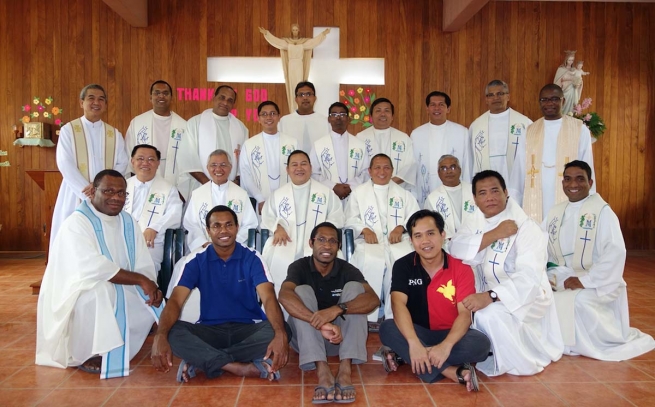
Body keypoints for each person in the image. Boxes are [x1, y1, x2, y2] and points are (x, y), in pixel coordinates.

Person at [37, 170, 163, 379]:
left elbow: (142, 260)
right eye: (108, 191)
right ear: (93, 191)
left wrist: (149, 283)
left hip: (120, 283)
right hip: (77, 291)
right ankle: (91, 352)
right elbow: (92, 266)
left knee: (139, 297)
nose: (116, 197)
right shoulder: (77, 223)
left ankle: (119, 345)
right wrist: (140, 280)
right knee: (100, 292)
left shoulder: (128, 221)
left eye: (122, 193)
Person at [151, 205, 291, 383]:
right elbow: (175, 302)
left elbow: (269, 298)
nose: (223, 230)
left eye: (229, 225)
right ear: (208, 231)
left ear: (237, 227)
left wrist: (279, 334)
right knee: (172, 332)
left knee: (283, 330)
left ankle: (204, 361)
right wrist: (160, 335)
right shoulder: (195, 260)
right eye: (216, 226)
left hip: (248, 329)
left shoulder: (252, 257)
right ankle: (237, 367)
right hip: (210, 331)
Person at [449, 170, 563, 376]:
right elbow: (455, 247)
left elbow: (529, 277)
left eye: (495, 191)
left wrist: (492, 296)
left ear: (506, 192)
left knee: (488, 314)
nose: (490, 197)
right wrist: (495, 234)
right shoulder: (475, 220)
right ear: (474, 199)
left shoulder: (527, 227)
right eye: (482, 193)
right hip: (484, 292)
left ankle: (511, 359)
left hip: (524, 296)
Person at [545, 160, 655, 360]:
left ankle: (585, 344)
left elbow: (615, 252)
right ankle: (557, 342)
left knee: (578, 301)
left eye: (580, 179)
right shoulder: (555, 212)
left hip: (597, 280)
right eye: (567, 179)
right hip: (562, 275)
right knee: (541, 295)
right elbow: (542, 243)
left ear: (590, 182)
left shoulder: (602, 212)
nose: (573, 184)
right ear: (562, 183)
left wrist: (585, 281)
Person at [379, 210, 491, 390]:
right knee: (387, 328)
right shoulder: (403, 265)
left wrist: (446, 346)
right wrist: (414, 343)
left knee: (481, 345)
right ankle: (451, 371)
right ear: (411, 241)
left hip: (451, 334)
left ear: (443, 235)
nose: (425, 241)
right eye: (418, 236)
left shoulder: (461, 268)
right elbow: (397, 304)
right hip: (417, 333)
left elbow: (464, 314)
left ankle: (407, 357)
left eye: (431, 233)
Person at [278, 222, 379, 403]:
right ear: (311, 243)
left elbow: (373, 299)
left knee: (356, 289)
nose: (327, 245)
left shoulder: (347, 269)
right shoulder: (299, 267)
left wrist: (337, 309)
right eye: (321, 240)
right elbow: (284, 296)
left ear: (339, 246)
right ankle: (322, 369)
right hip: (305, 340)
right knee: (300, 291)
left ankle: (345, 368)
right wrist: (321, 322)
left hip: (339, 339)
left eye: (333, 241)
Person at [345, 154, 420, 324]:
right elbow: (350, 219)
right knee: (370, 260)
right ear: (370, 171)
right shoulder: (358, 193)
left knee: (402, 263)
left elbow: (415, 218)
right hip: (370, 243)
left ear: (392, 171)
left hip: (398, 243)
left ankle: (395, 315)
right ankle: (369, 317)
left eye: (386, 167)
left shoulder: (404, 195)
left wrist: (402, 227)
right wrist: (364, 229)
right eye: (377, 168)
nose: (382, 171)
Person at [50, 84, 128, 247]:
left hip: (106, 195)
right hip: (76, 192)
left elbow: (122, 162)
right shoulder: (68, 130)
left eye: (101, 99)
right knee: (73, 239)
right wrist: (87, 189)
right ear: (81, 102)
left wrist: (99, 187)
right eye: (91, 98)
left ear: (105, 104)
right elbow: (65, 162)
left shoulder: (113, 133)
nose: (96, 102)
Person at [261, 150, 344, 295]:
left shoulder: (326, 193)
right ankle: (280, 309)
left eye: (303, 164)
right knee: (276, 257)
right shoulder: (278, 195)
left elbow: (337, 217)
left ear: (310, 167)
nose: (299, 168)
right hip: (286, 242)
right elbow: (267, 217)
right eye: (294, 165)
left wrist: (322, 236)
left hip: (317, 245)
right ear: (287, 170)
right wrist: (277, 227)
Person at [509, 84, 595, 222]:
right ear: (539, 103)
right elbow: (518, 170)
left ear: (563, 101)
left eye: (554, 99)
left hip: (568, 195)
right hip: (534, 198)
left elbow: (587, 168)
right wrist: (514, 206)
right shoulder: (529, 131)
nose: (549, 103)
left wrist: (589, 204)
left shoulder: (579, 129)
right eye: (544, 100)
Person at [125, 80, 192, 199]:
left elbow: (187, 161)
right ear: (150, 97)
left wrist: (181, 190)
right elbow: (129, 155)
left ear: (172, 98)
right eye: (157, 93)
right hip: (143, 184)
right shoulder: (138, 123)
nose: (161, 96)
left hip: (174, 182)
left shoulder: (183, 126)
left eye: (165, 93)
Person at [183, 149, 258, 251]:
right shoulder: (197, 194)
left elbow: (250, 224)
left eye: (223, 165)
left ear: (230, 168)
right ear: (207, 168)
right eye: (213, 165)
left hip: (234, 248)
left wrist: (233, 243)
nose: (218, 169)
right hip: (204, 249)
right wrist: (204, 243)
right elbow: (191, 225)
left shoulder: (241, 194)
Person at [124, 145, 183, 271]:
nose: (145, 163)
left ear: (157, 164)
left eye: (151, 159)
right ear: (132, 161)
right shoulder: (122, 186)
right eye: (140, 158)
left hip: (150, 245)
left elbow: (175, 214)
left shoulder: (168, 189)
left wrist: (154, 228)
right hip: (120, 242)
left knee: (142, 271)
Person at [411, 91, 471, 207]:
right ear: (427, 108)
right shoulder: (417, 134)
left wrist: (468, 190)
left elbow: (467, 164)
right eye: (433, 105)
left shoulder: (461, 132)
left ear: (448, 109)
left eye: (441, 105)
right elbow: (413, 167)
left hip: (455, 189)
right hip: (425, 189)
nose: (436, 108)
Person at [180, 85, 248, 185]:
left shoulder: (241, 128)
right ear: (214, 97)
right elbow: (188, 157)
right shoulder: (195, 123)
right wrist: (208, 184)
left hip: (231, 187)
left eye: (230, 100)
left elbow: (244, 161)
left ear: (233, 104)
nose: (225, 103)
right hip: (201, 185)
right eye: (222, 97)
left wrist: (236, 182)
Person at [240, 101, 298, 214]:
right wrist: (259, 198)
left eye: (272, 113)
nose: (269, 117)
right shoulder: (249, 145)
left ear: (278, 117)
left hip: (288, 198)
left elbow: (297, 171)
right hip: (261, 200)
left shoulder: (292, 143)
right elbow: (245, 173)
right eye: (264, 114)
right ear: (258, 118)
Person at [468, 80, 533, 181]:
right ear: (486, 99)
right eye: (491, 95)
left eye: (500, 94)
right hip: (486, 179)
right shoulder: (476, 126)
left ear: (508, 96)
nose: (495, 98)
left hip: (515, 179)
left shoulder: (525, 123)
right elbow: (471, 158)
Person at [259, 26, 331, 113]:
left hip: (299, 65)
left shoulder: (303, 43)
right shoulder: (287, 43)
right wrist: (267, 33)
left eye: (296, 30)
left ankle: (299, 106)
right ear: (291, 31)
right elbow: (277, 42)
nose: (295, 31)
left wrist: (323, 34)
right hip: (291, 65)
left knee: (300, 83)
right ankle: (293, 107)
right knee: (292, 85)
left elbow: (313, 42)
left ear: (298, 31)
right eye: (293, 30)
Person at [310, 102, 370, 204]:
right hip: (328, 195)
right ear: (329, 119)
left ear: (348, 119)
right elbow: (313, 172)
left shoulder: (360, 145)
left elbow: (366, 171)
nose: (338, 118)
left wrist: (350, 187)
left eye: (342, 115)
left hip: (354, 195)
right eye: (334, 115)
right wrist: (333, 186)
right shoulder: (318, 145)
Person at [356, 98, 416, 192]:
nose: (382, 114)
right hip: (368, 191)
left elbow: (410, 166)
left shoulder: (403, 138)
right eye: (378, 110)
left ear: (392, 116)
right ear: (371, 116)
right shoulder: (360, 138)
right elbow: (358, 168)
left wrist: (390, 183)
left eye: (387, 111)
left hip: (396, 190)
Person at [424, 155, 478, 241]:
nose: (449, 171)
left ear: (460, 170)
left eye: (452, 167)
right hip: (448, 244)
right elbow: (430, 226)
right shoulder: (432, 199)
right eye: (444, 168)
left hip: (476, 240)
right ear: (438, 173)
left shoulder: (474, 190)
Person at [278, 81, 331, 151]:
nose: (305, 98)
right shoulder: (284, 121)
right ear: (296, 99)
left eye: (308, 94)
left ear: (315, 98)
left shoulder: (325, 121)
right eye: (301, 95)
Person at [553, 50, 580, 115]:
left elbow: (579, 79)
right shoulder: (561, 69)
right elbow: (557, 81)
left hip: (573, 89)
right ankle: (563, 115)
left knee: (572, 104)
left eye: (572, 60)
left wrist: (577, 83)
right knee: (564, 104)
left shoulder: (575, 70)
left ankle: (572, 116)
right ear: (566, 60)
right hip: (564, 89)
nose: (570, 62)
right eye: (569, 60)